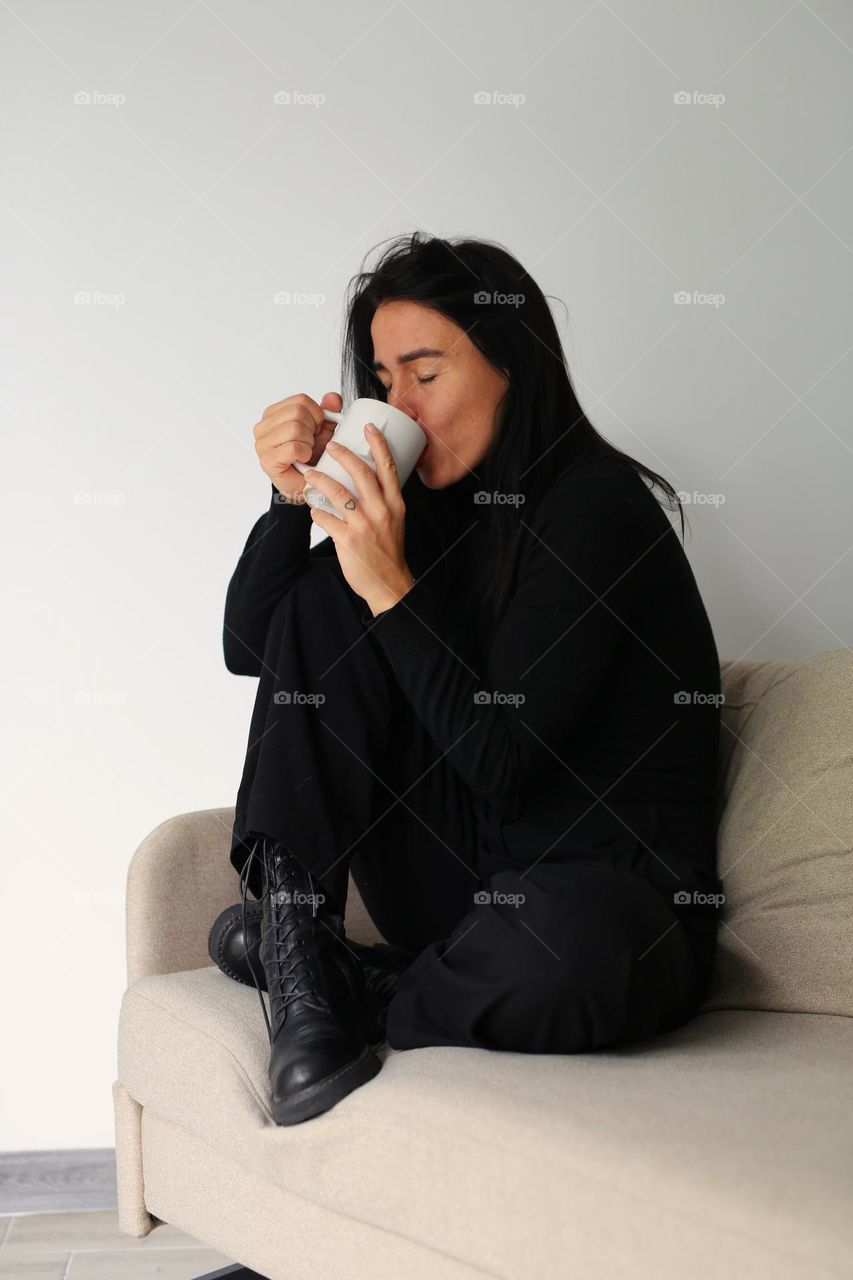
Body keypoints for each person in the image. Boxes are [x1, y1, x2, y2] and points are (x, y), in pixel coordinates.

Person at [220, 232, 725, 1128]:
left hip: (602, 896)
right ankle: (300, 966)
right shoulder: (433, 519)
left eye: (425, 372)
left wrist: (388, 587)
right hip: (463, 884)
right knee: (330, 597)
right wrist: (291, 500)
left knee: (571, 953)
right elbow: (257, 647)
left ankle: (366, 990)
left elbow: (501, 757)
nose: (396, 402)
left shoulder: (596, 508)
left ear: (509, 364)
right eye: (382, 381)